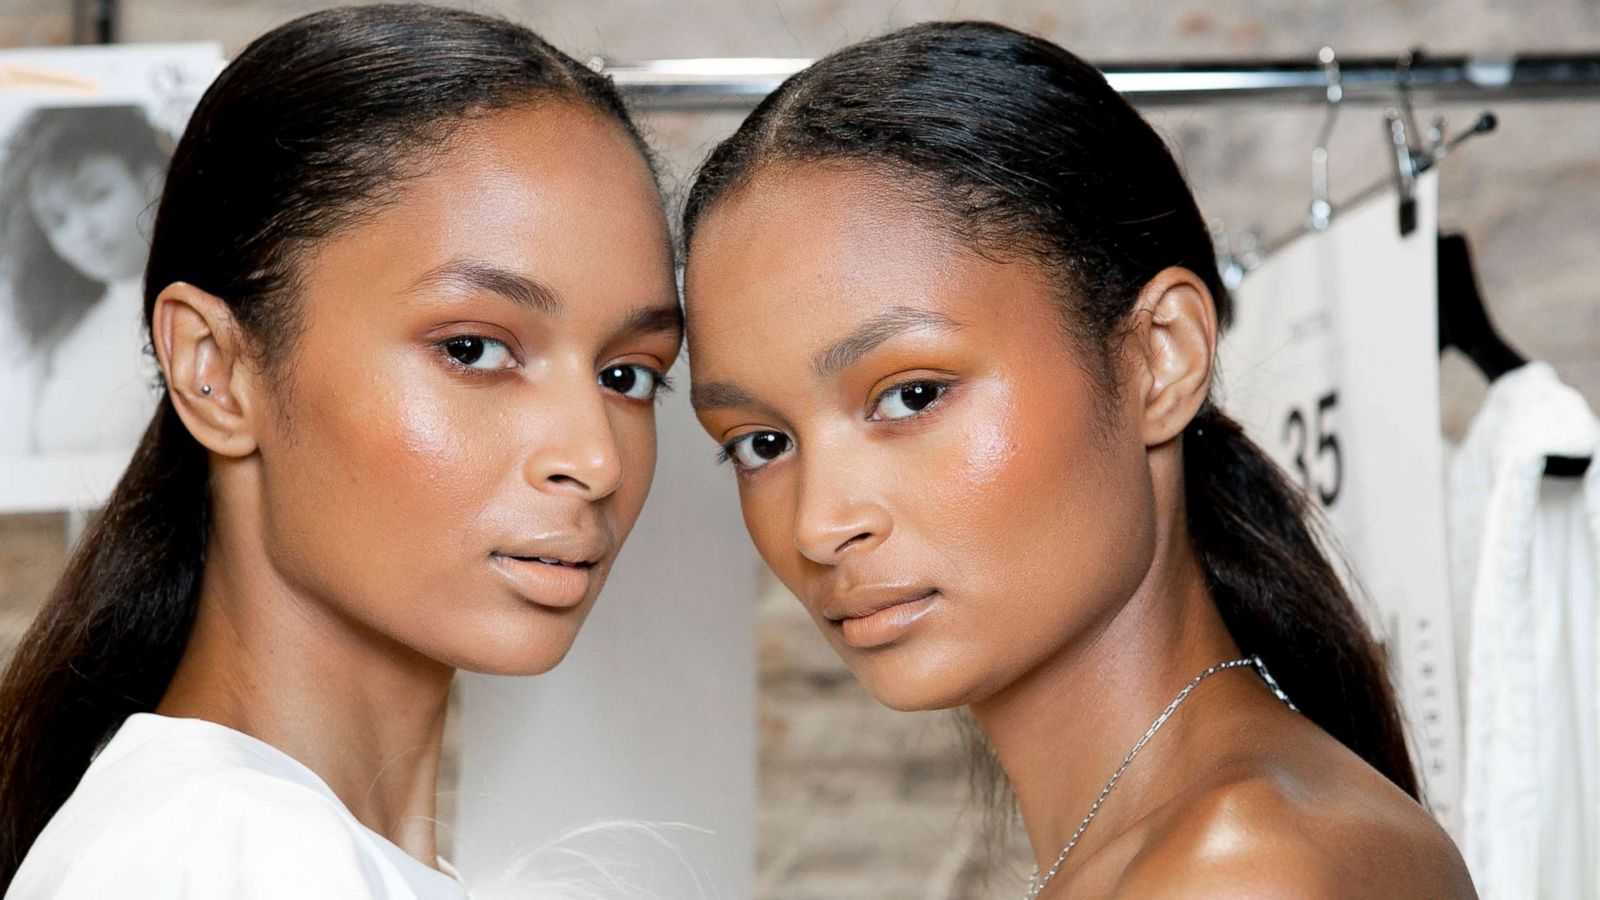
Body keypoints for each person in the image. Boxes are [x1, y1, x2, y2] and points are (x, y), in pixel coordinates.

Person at [681, 21, 1476, 898]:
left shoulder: (1238, 869)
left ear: (1159, 357)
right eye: (761, 444)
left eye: (912, 395)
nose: (820, 524)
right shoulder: (1187, 834)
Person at [0, 5, 680, 897]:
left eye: (628, 375)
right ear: (215, 370)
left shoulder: (283, 848)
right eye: (473, 349)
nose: (597, 459)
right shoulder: (230, 856)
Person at [0, 105, 168, 454]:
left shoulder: (214, 304)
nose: (83, 232)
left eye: (97, 195)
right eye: (57, 220)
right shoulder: (64, 343)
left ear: (151, 178)